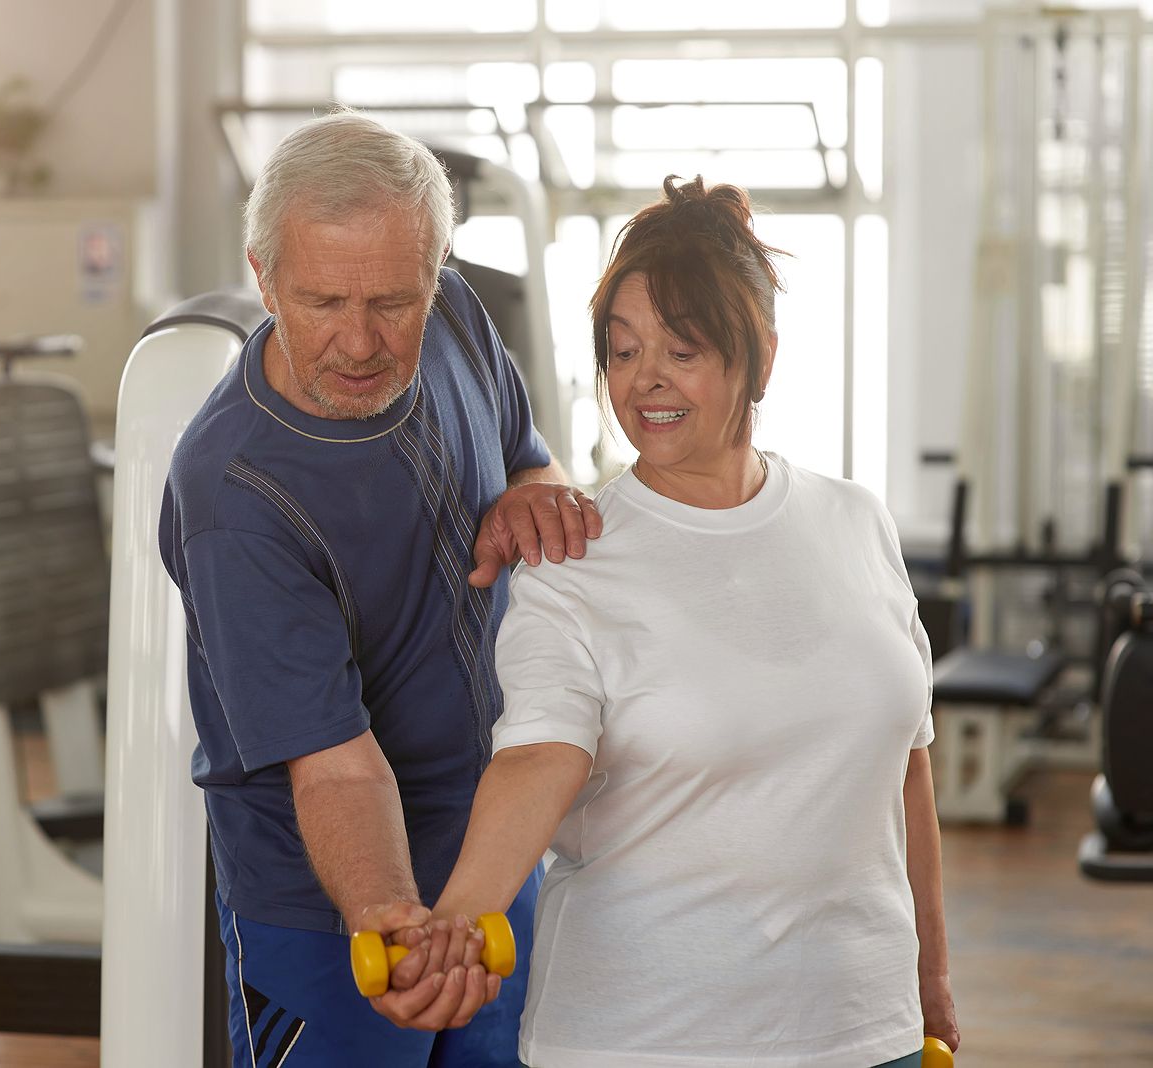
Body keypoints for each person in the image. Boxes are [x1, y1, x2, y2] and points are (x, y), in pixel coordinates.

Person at [408, 175, 961, 1067]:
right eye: (623, 353)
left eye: (682, 350)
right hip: (648, 1035)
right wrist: (457, 922)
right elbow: (538, 758)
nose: (646, 382)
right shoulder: (573, 555)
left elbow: (908, 769)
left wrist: (929, 972)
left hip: (865, 1026)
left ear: (762, 358)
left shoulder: (857, 522)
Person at [158, 109, 602, 1067]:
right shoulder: (237, 494)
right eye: (321, 302)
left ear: (437, 271)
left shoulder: (455, 316)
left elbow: (532, 459)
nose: (358, 343)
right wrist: (390, 920)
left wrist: (539, 500)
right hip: (327, 906)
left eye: (391, 303)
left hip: (488, 850)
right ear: (263, 274)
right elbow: (337, 767)